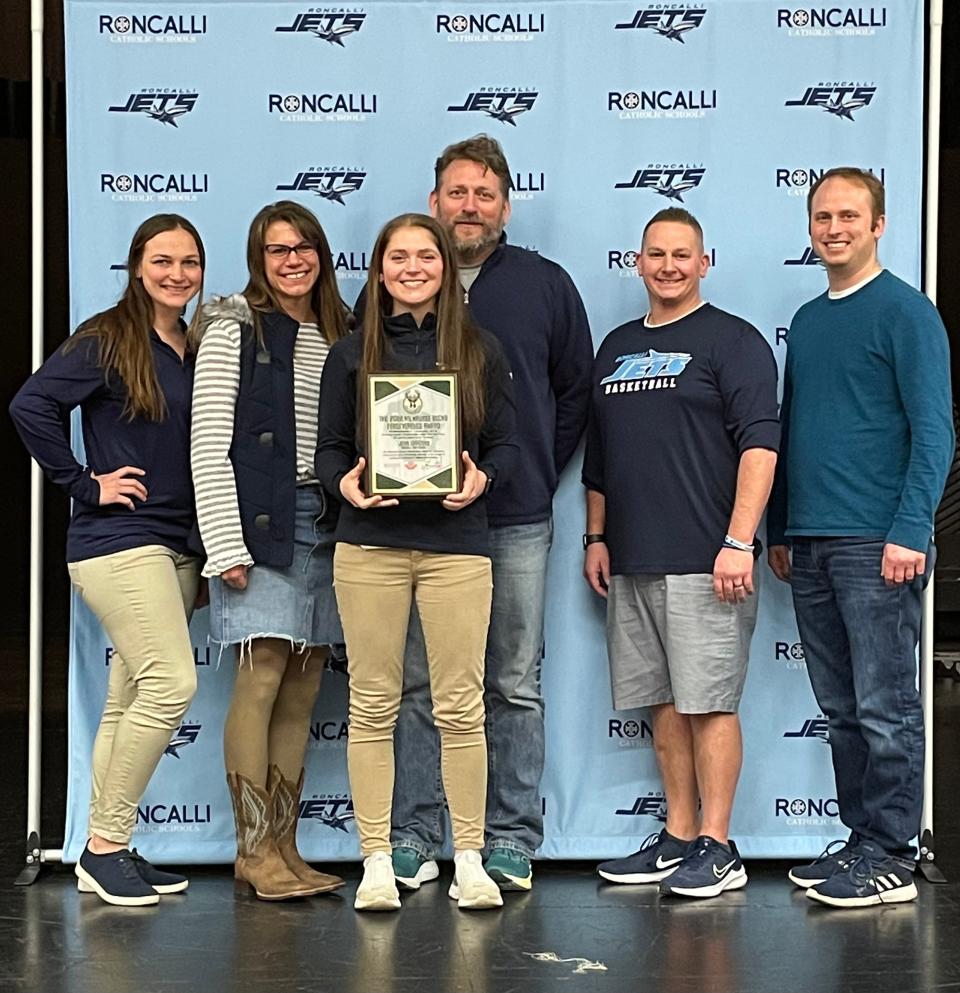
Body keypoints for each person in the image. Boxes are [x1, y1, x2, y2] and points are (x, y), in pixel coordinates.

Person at [383, 135, 593, 894]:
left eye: (484, 194)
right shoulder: (399, 284)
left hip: (514, 519)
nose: (469, 206)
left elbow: (576, 391)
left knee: (511, 679)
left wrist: (531, 463)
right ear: (434, 200)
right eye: (456, 192)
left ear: (504, 204)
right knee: (416, 681)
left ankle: (509, 836)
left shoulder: (544, 284)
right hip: (417, 523)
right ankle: (413, 832)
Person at [316, 213, 517, 911]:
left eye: (424, 255)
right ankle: (375, 858)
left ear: (444, 267)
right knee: (372, 704)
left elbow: (508, 449)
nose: (411, 266)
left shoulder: (481, 350)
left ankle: (469, 857)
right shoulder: (350, 354)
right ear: (378, 271)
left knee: (461, 706)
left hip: (457, 548)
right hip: (367, 547)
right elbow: (328, 452)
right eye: (397, 256)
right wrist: (343, 483)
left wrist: (480, 480)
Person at [767, 167, 954, 908]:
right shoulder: (810, 320)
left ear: (879, 224)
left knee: (885, 707)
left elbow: (934, 430)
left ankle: (894, 853)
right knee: (842, 709)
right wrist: (781, 525)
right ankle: (861, 838)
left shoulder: (906, 313)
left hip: (878, 543)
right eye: (822, 216)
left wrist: (911, 528)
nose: (834, 227)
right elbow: (792, 430)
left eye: (849, 215)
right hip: (810, 541)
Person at [583, 207, 779, 899]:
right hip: (633, 557)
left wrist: (738, 541)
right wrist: (596, 535)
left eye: (682, 254)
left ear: (704, 262)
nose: (668, 265)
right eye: (656, 254)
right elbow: (599, 458)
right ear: (636, 262)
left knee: (710, 703)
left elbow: (761, 445)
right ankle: (677, 833)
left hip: (708, 558)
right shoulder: (613, 347)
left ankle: (718, 847)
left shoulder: (734, 341)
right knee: (662, 702)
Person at [10, 214, 206, 907]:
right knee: (170, 682)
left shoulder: (194, 340)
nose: (177, 274)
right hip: (118, 541)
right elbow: (30, 405)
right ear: (135, 266)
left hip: (179, 544)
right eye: (162, 261)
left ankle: (107, 844)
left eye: (189, 262)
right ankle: (103, 847)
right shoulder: (107, 337)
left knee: (127, 700)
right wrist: (85, 480)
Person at [191, 201, 348, 901]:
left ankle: (283, 844)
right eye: (276, 249)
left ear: (321, 253)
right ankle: (252, 851)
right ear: (258, 259)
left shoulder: (340, 331)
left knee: (306, 685)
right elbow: (208, 441)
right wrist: (224, 539)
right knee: (261, 678)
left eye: (304, 246)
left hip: (328, 520)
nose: (292, 260)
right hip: (260, 523)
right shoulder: (234, 328)